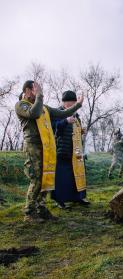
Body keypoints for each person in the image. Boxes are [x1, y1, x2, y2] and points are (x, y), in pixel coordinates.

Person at [15, 81, 83, 222]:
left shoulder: (44, 107)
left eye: (38, 90)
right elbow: (34, 113)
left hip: (46, 146)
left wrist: (78, 104)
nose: (37, 93)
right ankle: (29, 212)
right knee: (37, 178)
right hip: (33, 146)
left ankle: (41, 209)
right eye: (34, 90)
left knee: (46, 177)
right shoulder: (21, 105)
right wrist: (39, 96)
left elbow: (62, 113)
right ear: (27, 90)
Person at [50, 91, 89, 209]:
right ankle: (59, 200)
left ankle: (77, 197)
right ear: (65, 103)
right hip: (61, 150)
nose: (72, 105)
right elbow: (54, 127)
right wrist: (65, 121)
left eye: (74, 103)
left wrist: (82, 131)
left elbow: (74, 131)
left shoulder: (77, 116)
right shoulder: (57, 113)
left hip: (75, 152)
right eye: (70, 103)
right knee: (61, 177)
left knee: (75, 176)